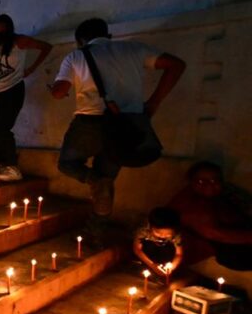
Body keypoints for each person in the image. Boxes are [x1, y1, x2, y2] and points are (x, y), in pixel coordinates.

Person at [51, 17, 186, 222]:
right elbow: (176, 65)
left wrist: (56, 89)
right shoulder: (133, 49)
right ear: (109, 36)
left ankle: (94, 180)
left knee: (68, 163)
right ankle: (97, 232)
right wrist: (154, 102)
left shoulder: (76, 56)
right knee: (107, 177)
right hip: (127, 125)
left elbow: (59, 93)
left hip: (90, 123)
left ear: (80, 40)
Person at [0, 14, 52, 182]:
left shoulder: (19, 41)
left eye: (2, 28)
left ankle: (13, 168)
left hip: (13, 89)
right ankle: (2, 166)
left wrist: (31, 68)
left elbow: (46, 47)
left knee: (3, 129)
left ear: (9, 28)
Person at [169, 161, 252, 296]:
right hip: (219, 247)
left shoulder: (223, 196)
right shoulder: (190, 203)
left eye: (215, 180)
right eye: (202, 181)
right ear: (192, 182)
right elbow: (213, 233)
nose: (209, 185)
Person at [132, 206, 183, 278]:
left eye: (167, 235)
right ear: (150, 226)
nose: (162, 236)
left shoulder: (176, 235)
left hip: (164, 255)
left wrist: (171, 268)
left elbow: (179, 254)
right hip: (147, 255)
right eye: (158, 233)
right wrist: (152, 265)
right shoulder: (143, 230)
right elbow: (137, 249)